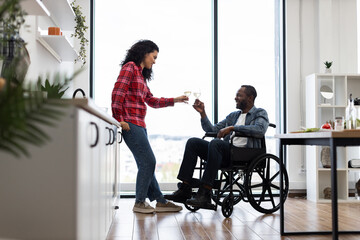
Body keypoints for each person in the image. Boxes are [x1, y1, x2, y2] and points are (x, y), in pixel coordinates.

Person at [111, 40, 188, 214]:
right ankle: (139, 203)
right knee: (149, 161)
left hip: (140, 124)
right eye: (154, 57)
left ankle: (160, 201)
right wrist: (119, 119)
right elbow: (117, 93)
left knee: (146, 164)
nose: (155, 61)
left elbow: (151, 101)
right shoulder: (130, 67)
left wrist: (174, 100)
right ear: (145, 53)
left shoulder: (141, 76)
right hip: (130, 123)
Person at [165, 85, 269, 209]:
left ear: (250, 98)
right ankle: (185, 189)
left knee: (216, 143)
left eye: (239, 95)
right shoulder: (233, 116)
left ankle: (205, 192)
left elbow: (260, 130)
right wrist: (203, 113)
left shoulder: (259, 113)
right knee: (193, 142)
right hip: (226, 152)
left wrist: (232, 128)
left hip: (245, 153)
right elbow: (212, 130)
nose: (235, 98)